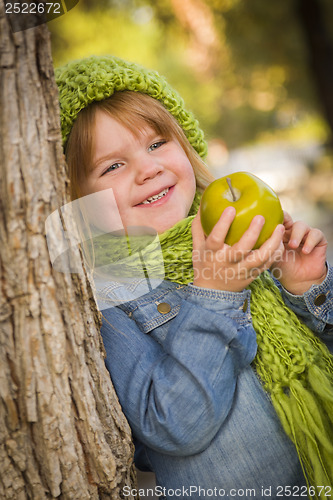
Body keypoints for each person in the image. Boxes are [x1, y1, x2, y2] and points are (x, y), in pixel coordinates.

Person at [55, 55, 333, 499]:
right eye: (112, 166)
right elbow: (174, 428)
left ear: (185, 146)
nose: (147, 169)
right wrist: (214, 293)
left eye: (156, 143)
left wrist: (308, 288)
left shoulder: (241, 238)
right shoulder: (109, 297)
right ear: (78, 200)